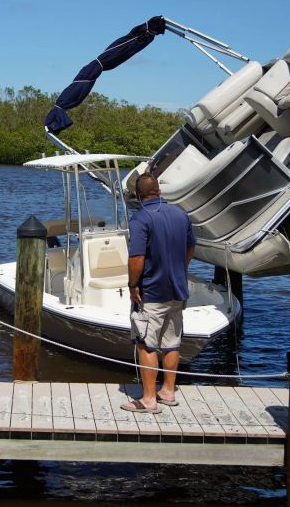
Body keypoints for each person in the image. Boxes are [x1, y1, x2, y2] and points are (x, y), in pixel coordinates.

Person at [121, 172, 195, 414]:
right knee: (172, 343)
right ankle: (169, 392)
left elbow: (137, 257)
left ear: (137, 195)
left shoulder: (141, 218)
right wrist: (181, 269)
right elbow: (191, 246)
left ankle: (149, 399)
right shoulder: (181, 214)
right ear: (159, 192)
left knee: (146, 344)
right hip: (178, 290)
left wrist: (133, 286)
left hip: (152, 291)